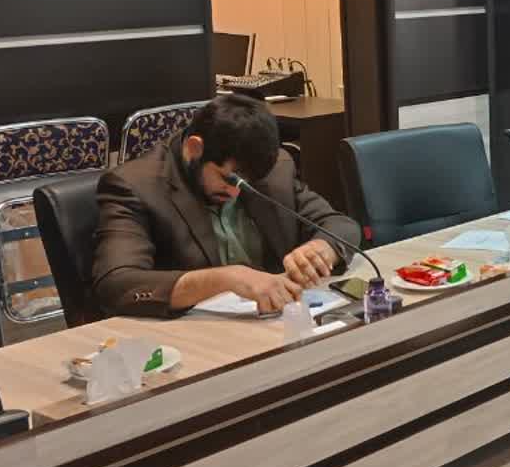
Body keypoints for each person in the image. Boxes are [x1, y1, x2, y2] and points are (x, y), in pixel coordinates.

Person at [91, 95, 359, 317]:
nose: (235, 192)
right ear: (194, 149)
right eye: (228, 179)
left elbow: (341, 225)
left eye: (247, 184)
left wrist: (321, 248)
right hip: (191, 339)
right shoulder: (134, 186)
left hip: (276, 324)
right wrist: (227, 278)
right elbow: (117, 285)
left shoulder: (274, 170)